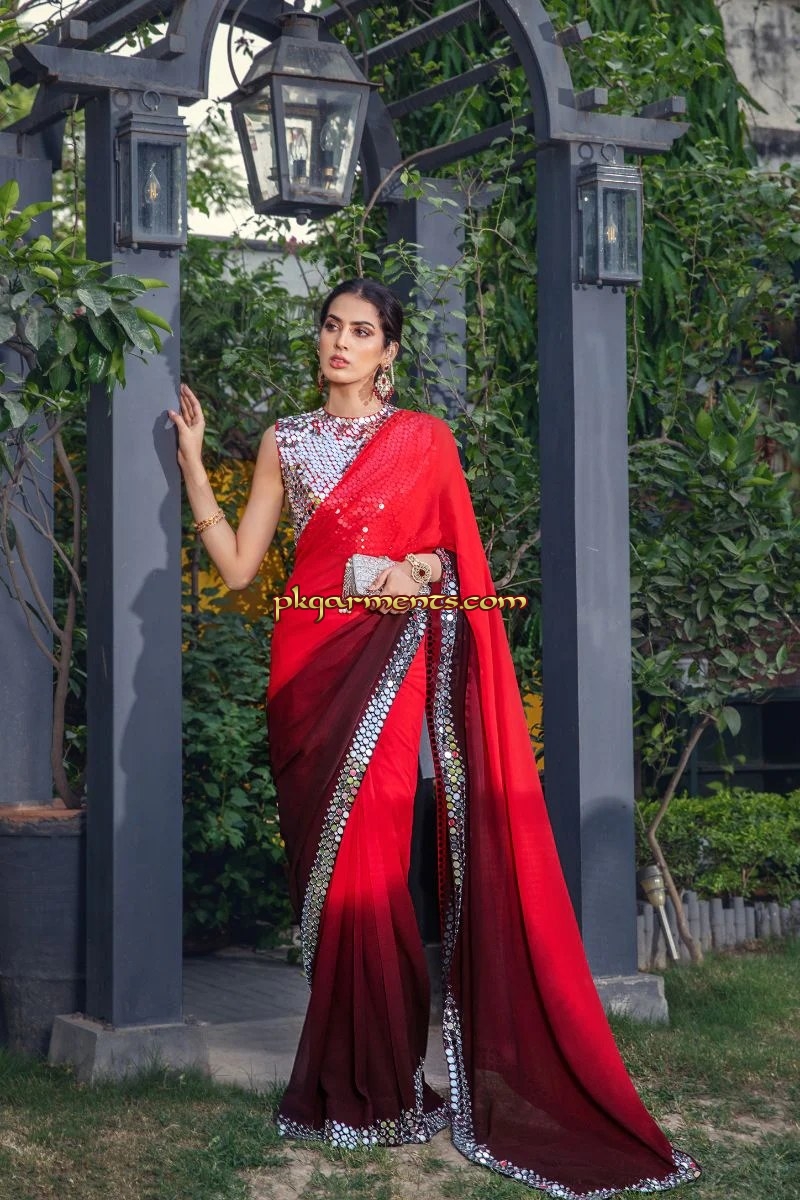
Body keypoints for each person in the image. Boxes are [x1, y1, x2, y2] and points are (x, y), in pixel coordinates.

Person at [168, 278, 700, 1197]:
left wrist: (417, 568)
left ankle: (378, 1086)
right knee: (327, 880)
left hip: (386, 671)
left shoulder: (423, 440)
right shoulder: (283, 441)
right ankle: (347, 1082)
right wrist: (191, 462)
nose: (340, 342)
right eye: (331, 327)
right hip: (307, 673)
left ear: (389, 352)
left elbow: (455, 560)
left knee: (374, 872)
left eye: (360, 331)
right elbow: (244, 568)